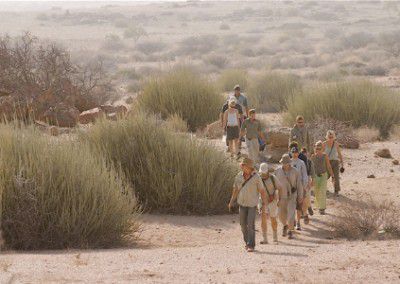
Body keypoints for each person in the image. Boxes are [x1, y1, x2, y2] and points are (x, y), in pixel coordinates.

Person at [228, 158, 268, 252]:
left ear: (249, 167)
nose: (242, 166)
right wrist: (231, 202)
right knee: (242, 225)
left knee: (250, 224)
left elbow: (262, 191)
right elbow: (235, 190)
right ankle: (247, 242)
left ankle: (251, 245)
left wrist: (264, 204)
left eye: (243, 165)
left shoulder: (256, 177)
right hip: (241, 204)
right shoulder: (238, 176)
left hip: (252, 205)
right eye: (242, 165)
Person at [275, 154, 303, 239]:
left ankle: (290, 231)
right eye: (283, 163)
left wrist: (300, 196)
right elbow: (274, 184)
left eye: (286, 162)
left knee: (291, 214)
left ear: (289, 163)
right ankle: (285, 225)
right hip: (281, 196)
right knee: (280, 215)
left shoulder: (295, 171)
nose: (285, 164)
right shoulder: (277, 171)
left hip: (292, 196)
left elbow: (299, 184)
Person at [258, 163, 282, 244]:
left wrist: (278, 199)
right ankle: (265, 238)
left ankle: (275, 238)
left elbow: (279, 188)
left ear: (268, 171)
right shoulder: (258, 179)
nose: (263, 174)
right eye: (262, 172)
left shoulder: (273, 178)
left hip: (272, 202)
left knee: (273, 219)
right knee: (263, 219)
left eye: (264, 172)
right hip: (262, 202)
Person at [310, 141, 334, 215]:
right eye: (317, 148)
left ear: (322, 149)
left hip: (323, 175)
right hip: (316, 176)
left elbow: (329, 166)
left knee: (322, 191)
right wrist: (311, 178)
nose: (318, 150)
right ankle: (318, 206)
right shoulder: (313, 157)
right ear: (314, 148)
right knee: (317, 192)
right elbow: (311, 168)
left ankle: (322, 208)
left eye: (320, 148)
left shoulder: (325, 156)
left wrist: (332, 176)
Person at [290, 146, 309, 231]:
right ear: (291, 153)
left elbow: (304, 175)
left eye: (296, 152)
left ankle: (298, 223)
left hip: (299, 185)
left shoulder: (301, 163)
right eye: (293, 152)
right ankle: (292, 220)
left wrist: (304, 186)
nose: (294, 154)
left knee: (299, 205)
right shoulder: (288, 162)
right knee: (291, 205)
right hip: (290, 186)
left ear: (298, 153)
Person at [323, 130, 344, 197]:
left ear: (334, 137)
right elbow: (321, 154)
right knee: (325, 176)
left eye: (332, 137)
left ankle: (336, 191)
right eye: (329, 137)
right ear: (327, 137)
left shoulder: (336, 144)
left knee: (336, 177)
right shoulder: (324, 144)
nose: (330, 138)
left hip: (335, 162)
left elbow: (339, 154)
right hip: (327, 162)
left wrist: (342, 164)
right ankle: (323, 189)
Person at [301, 147, 314, 217]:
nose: (304, 154)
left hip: (308, 178)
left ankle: (308, 207)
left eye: (305, 153)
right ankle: (303, 212)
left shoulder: (309, 161)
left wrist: (312, 180)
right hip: (300, 180)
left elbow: (312, 172)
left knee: (307, 195)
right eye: (303, 153)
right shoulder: (299, 161)